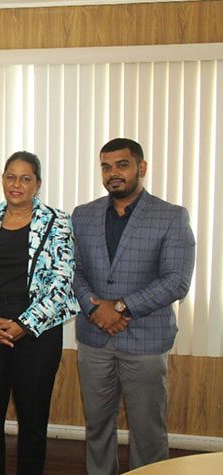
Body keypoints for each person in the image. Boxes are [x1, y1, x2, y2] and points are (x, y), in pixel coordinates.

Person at [72, 138, 196, 474]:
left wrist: (122, 307)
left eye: (122, 165)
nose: (113, 173)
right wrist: (95, 309)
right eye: (106, 166)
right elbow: (73, 270)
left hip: (145, 341)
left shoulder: (171, 216)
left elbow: (176, 281)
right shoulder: (82, 215)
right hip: (94, 338)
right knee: (97, 427)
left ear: (141, 168)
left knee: (148, 432)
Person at [0, 151, 80, 475]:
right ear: (2, 179)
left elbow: (61, 280)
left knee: (33, 421)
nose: (17, 184)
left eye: (25, 178)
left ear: (37, 184)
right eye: (11, 176)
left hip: (36, 335)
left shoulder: (58, 221)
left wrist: (24, 325)